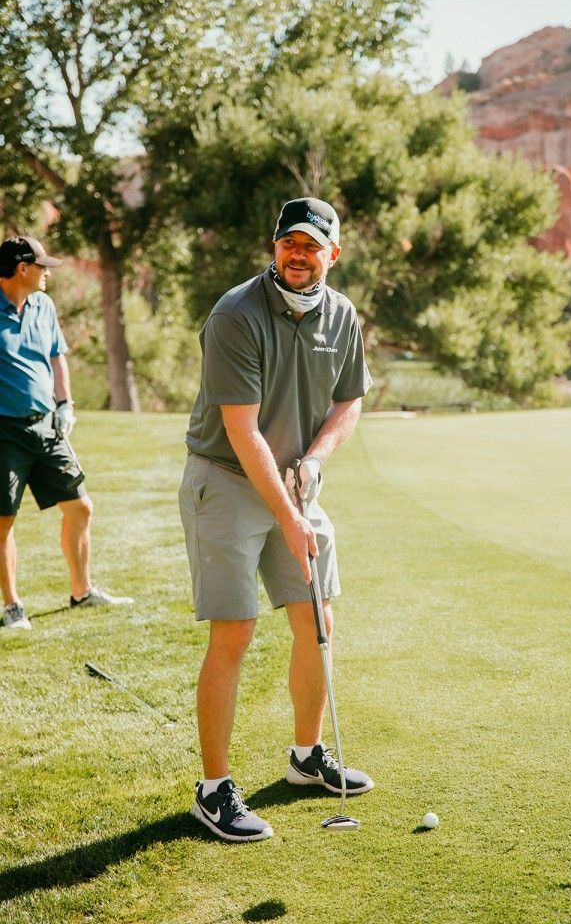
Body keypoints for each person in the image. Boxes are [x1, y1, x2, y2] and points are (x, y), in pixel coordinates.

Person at [179, 197, 374, 843]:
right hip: (230, 480)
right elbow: (242, 432)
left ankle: (306, 757)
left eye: (311, 245)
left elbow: (349, 402)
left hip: (295, 477)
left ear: (332, 255)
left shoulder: (343, 316)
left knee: (315, 618)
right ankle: (213, 791)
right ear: (274, 246)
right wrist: (292, 517)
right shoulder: (236, 314)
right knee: (233, 633)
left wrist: (316, 460)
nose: (298, 253)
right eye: (289, 242)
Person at [0, 235, 133, 631]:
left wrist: (65, 404)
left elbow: (57, 357)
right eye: (42, 267)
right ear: (22, 268)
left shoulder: (43, 305)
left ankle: (81, 591)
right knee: (3, 521)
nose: (47, 274)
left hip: (47, 426)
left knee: (80, 506)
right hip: (4, 432)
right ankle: (12, 608)